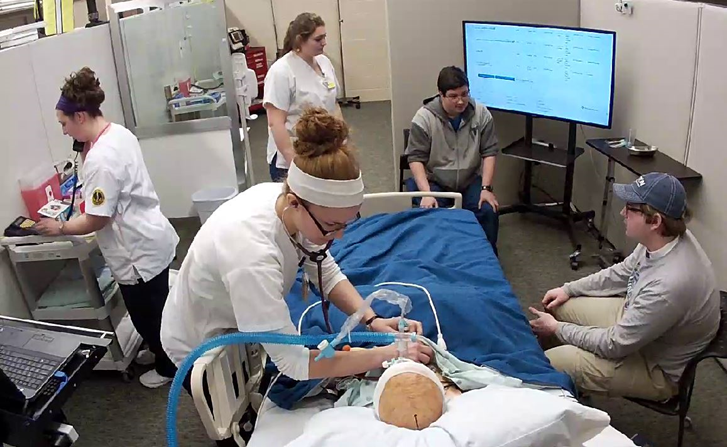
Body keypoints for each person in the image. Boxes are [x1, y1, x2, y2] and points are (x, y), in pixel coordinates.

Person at [161, 107, 431, 400]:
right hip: (200, 341)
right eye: (331, 226)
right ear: (294, 203)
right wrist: (390, 353)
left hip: (235, 318)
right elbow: (295, 363)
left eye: (346, 224)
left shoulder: (287, 203)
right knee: (228, 413)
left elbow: (322, 267)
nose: (339, 236)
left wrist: (372, 320)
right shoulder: (251, 256)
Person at [35, 67, 180, 388]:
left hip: (137, 252)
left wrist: (60, 228)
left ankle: (170, 366)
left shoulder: (101, 158)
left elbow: (97, 219)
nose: (63, 131)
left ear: (81, 116)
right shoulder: (118, 133)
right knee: (158, 308)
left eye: (64, 124)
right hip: (150, 236)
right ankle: (162, 352)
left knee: (149, 316)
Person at [529, 172, 720, 401]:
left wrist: (557, 329)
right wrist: (568, 289)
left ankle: (551, 384)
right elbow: (622, 272)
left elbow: (614, 344)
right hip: (640, 321)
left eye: (630, 208)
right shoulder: (663, 237)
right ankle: (563, 386)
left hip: (655, 366)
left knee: (552, 362)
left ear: (655, 221)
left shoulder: (670, 284)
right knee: (557, 305)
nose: (622, 213)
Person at [405, 66, 500, 250]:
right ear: (441, 94)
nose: (460, 101)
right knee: (431, 215)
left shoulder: (481, 114)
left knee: (488, 210)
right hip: (436, 182)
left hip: (469, 180)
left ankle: (486, 261)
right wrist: (426, 193)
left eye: (464, 94)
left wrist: (486, 188)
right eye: (453, 96)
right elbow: (415, 158)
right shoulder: (424, 117)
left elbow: (489, 151)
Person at [263, 12, 343, 182]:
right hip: (295, 156)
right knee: (299, 206)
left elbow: (333, 104)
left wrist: (342, 142)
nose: (324, 42)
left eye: (325, 37)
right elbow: (275, 123)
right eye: (318, 39)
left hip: (324, 151)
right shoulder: (281, 72)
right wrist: (295, 164)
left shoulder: (324, 63)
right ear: (300, 40)